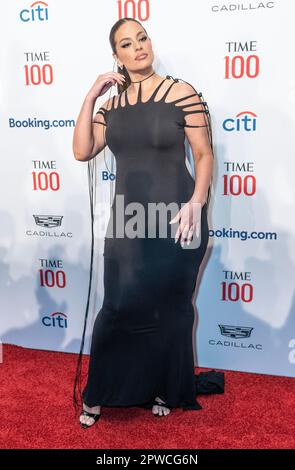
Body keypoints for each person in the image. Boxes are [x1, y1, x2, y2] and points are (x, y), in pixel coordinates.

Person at [72, 17, 224, 429]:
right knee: (118, 307)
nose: (138, 47)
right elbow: (83, 151)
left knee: (171, 309)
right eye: (126, 43)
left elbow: (204, 154)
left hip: (179, 217)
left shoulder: (182, 92)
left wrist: (197, 201)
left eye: (142, 38)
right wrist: (90, 96)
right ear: (116, 56)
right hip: (129, 220)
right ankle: (101, 392)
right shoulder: (111, 106)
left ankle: (164, 387)